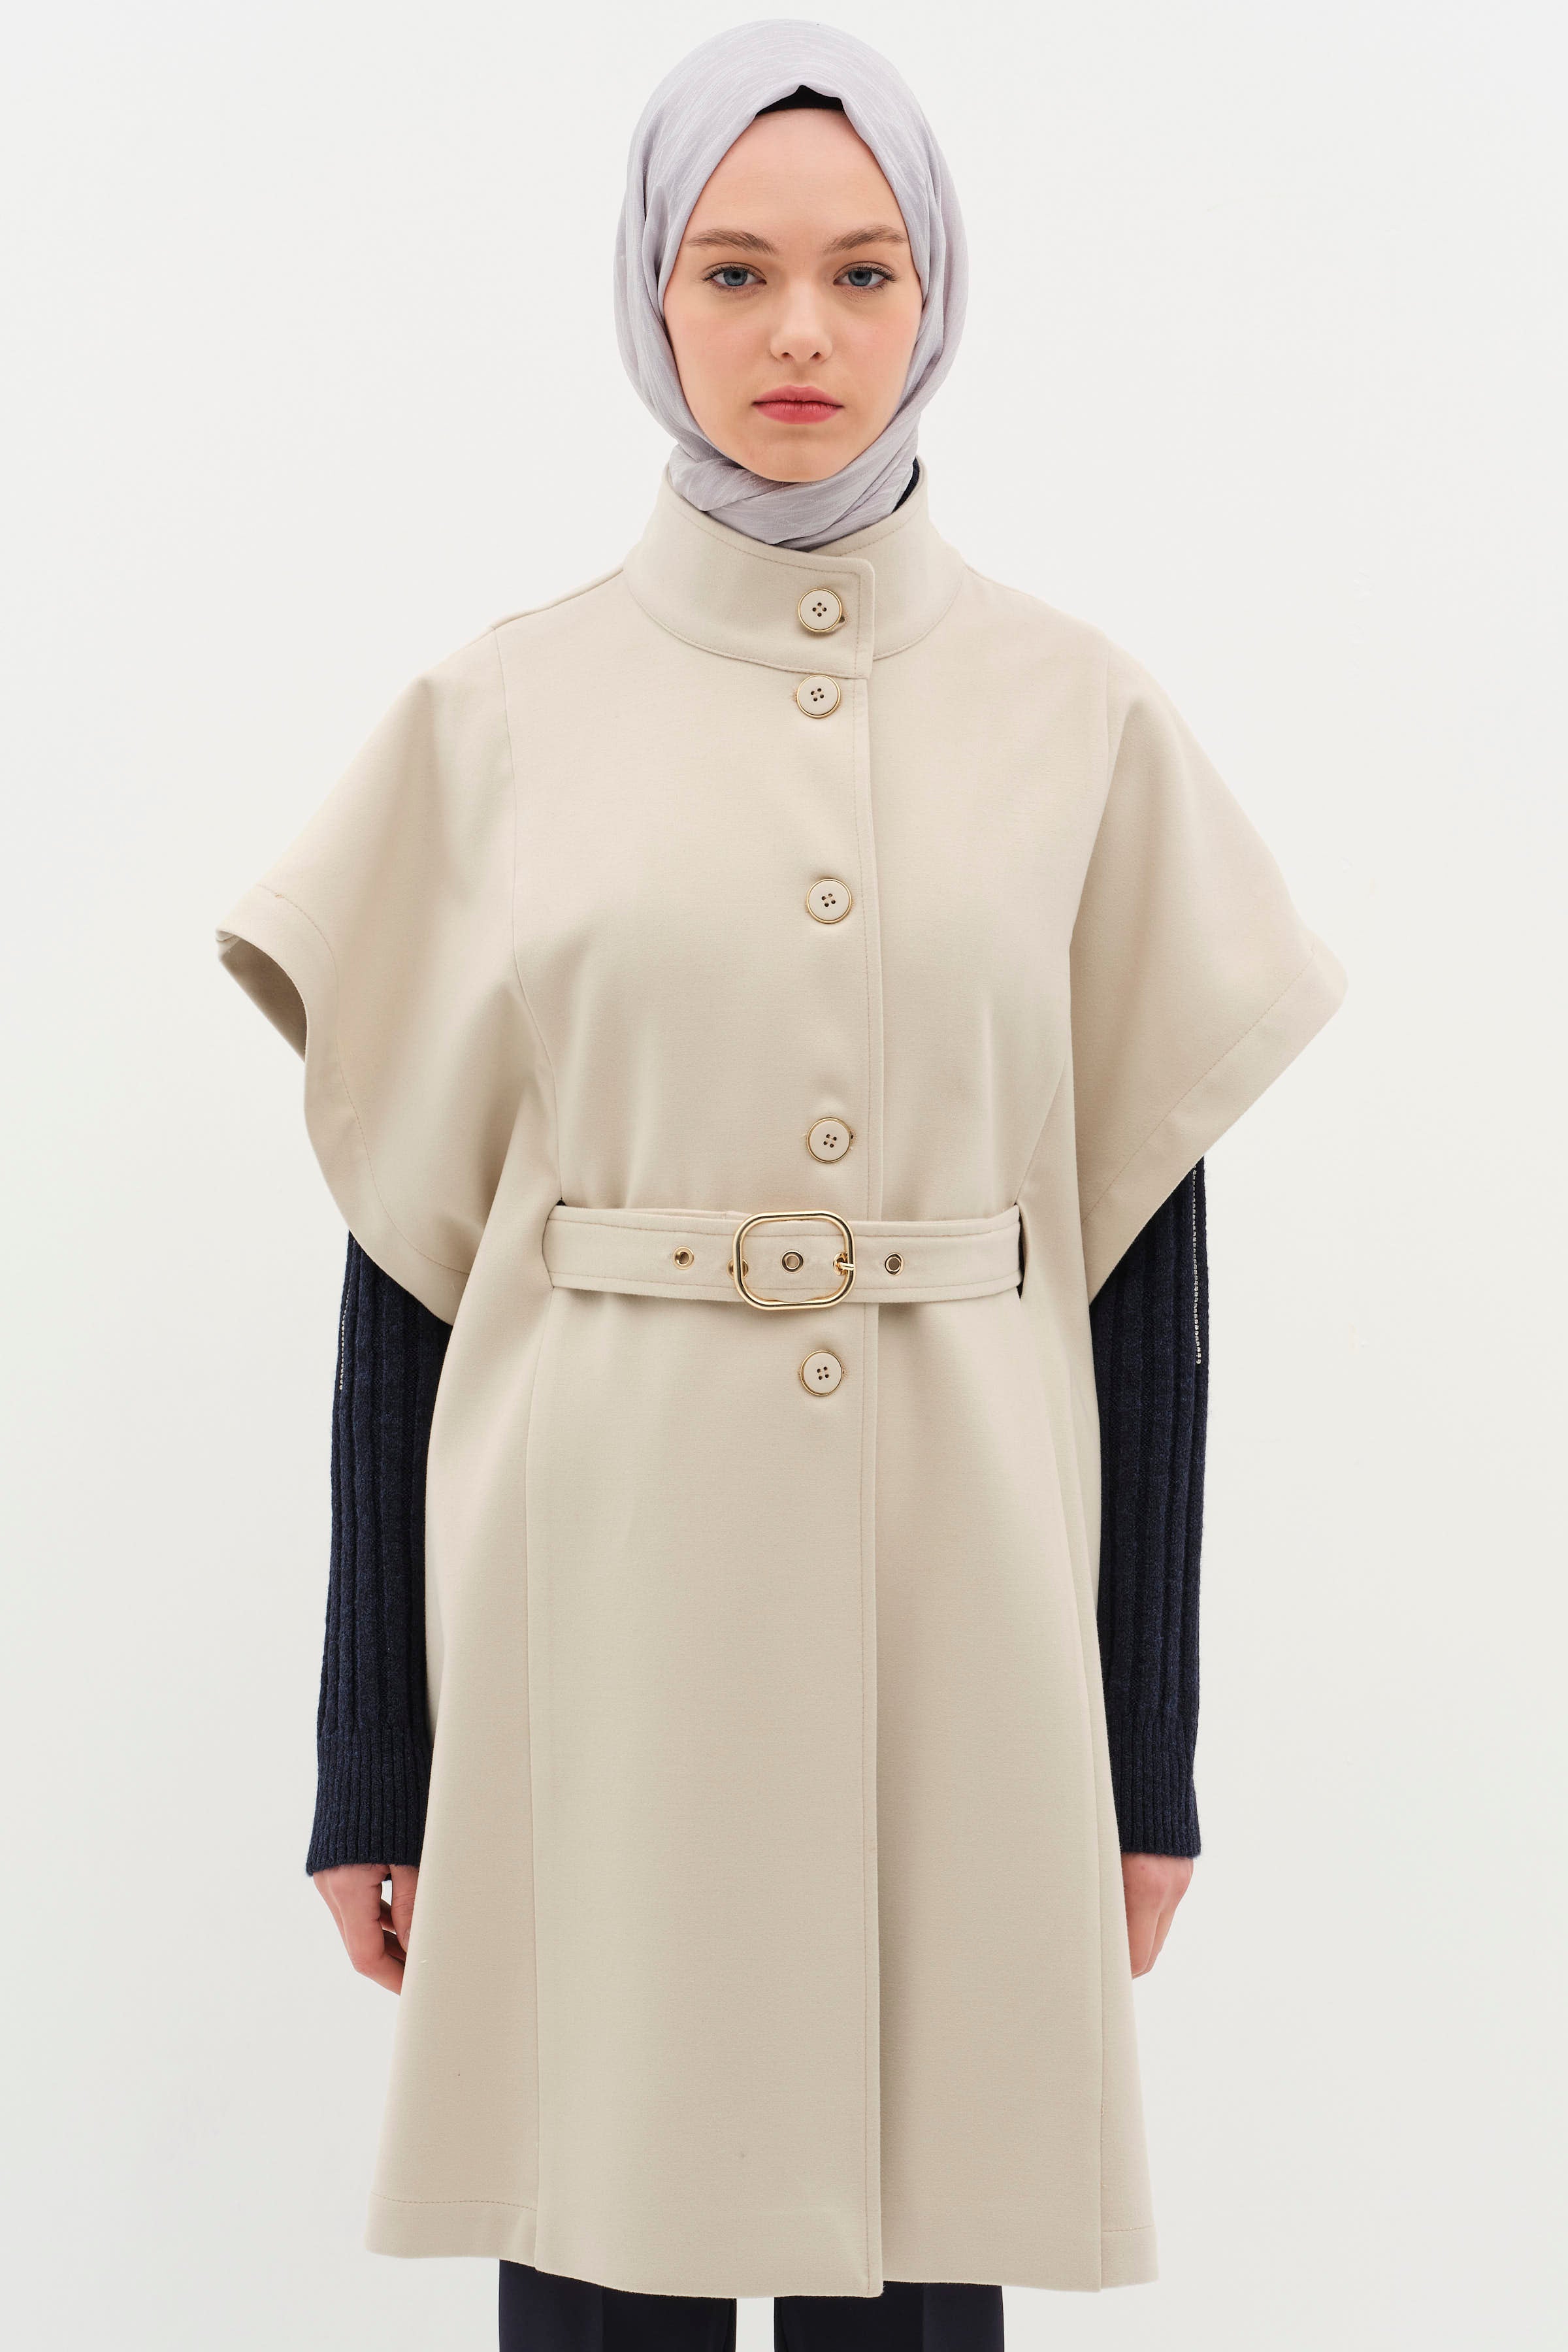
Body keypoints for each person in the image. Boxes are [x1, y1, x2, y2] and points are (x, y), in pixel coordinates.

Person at [216, 22, 1345, 2351]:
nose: (800, 332)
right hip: (594, 1590)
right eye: (733, 271)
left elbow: (1143, 1262)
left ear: (941, 293)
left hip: (969, 1593)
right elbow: (407, 1263)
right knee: (600, 2242)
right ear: (652, 292)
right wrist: (370, 1754)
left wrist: (1144, 1754)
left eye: (862, 269)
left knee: (922, 2255)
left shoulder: (1080, 713)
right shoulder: (497, 715)